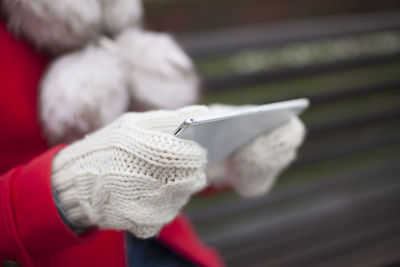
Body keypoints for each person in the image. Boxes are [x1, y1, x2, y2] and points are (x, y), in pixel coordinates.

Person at [0, 0, 305, 266]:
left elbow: (146, 154)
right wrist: (67, 193)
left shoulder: (108, 14)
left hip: (165, 245)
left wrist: (227, 154)